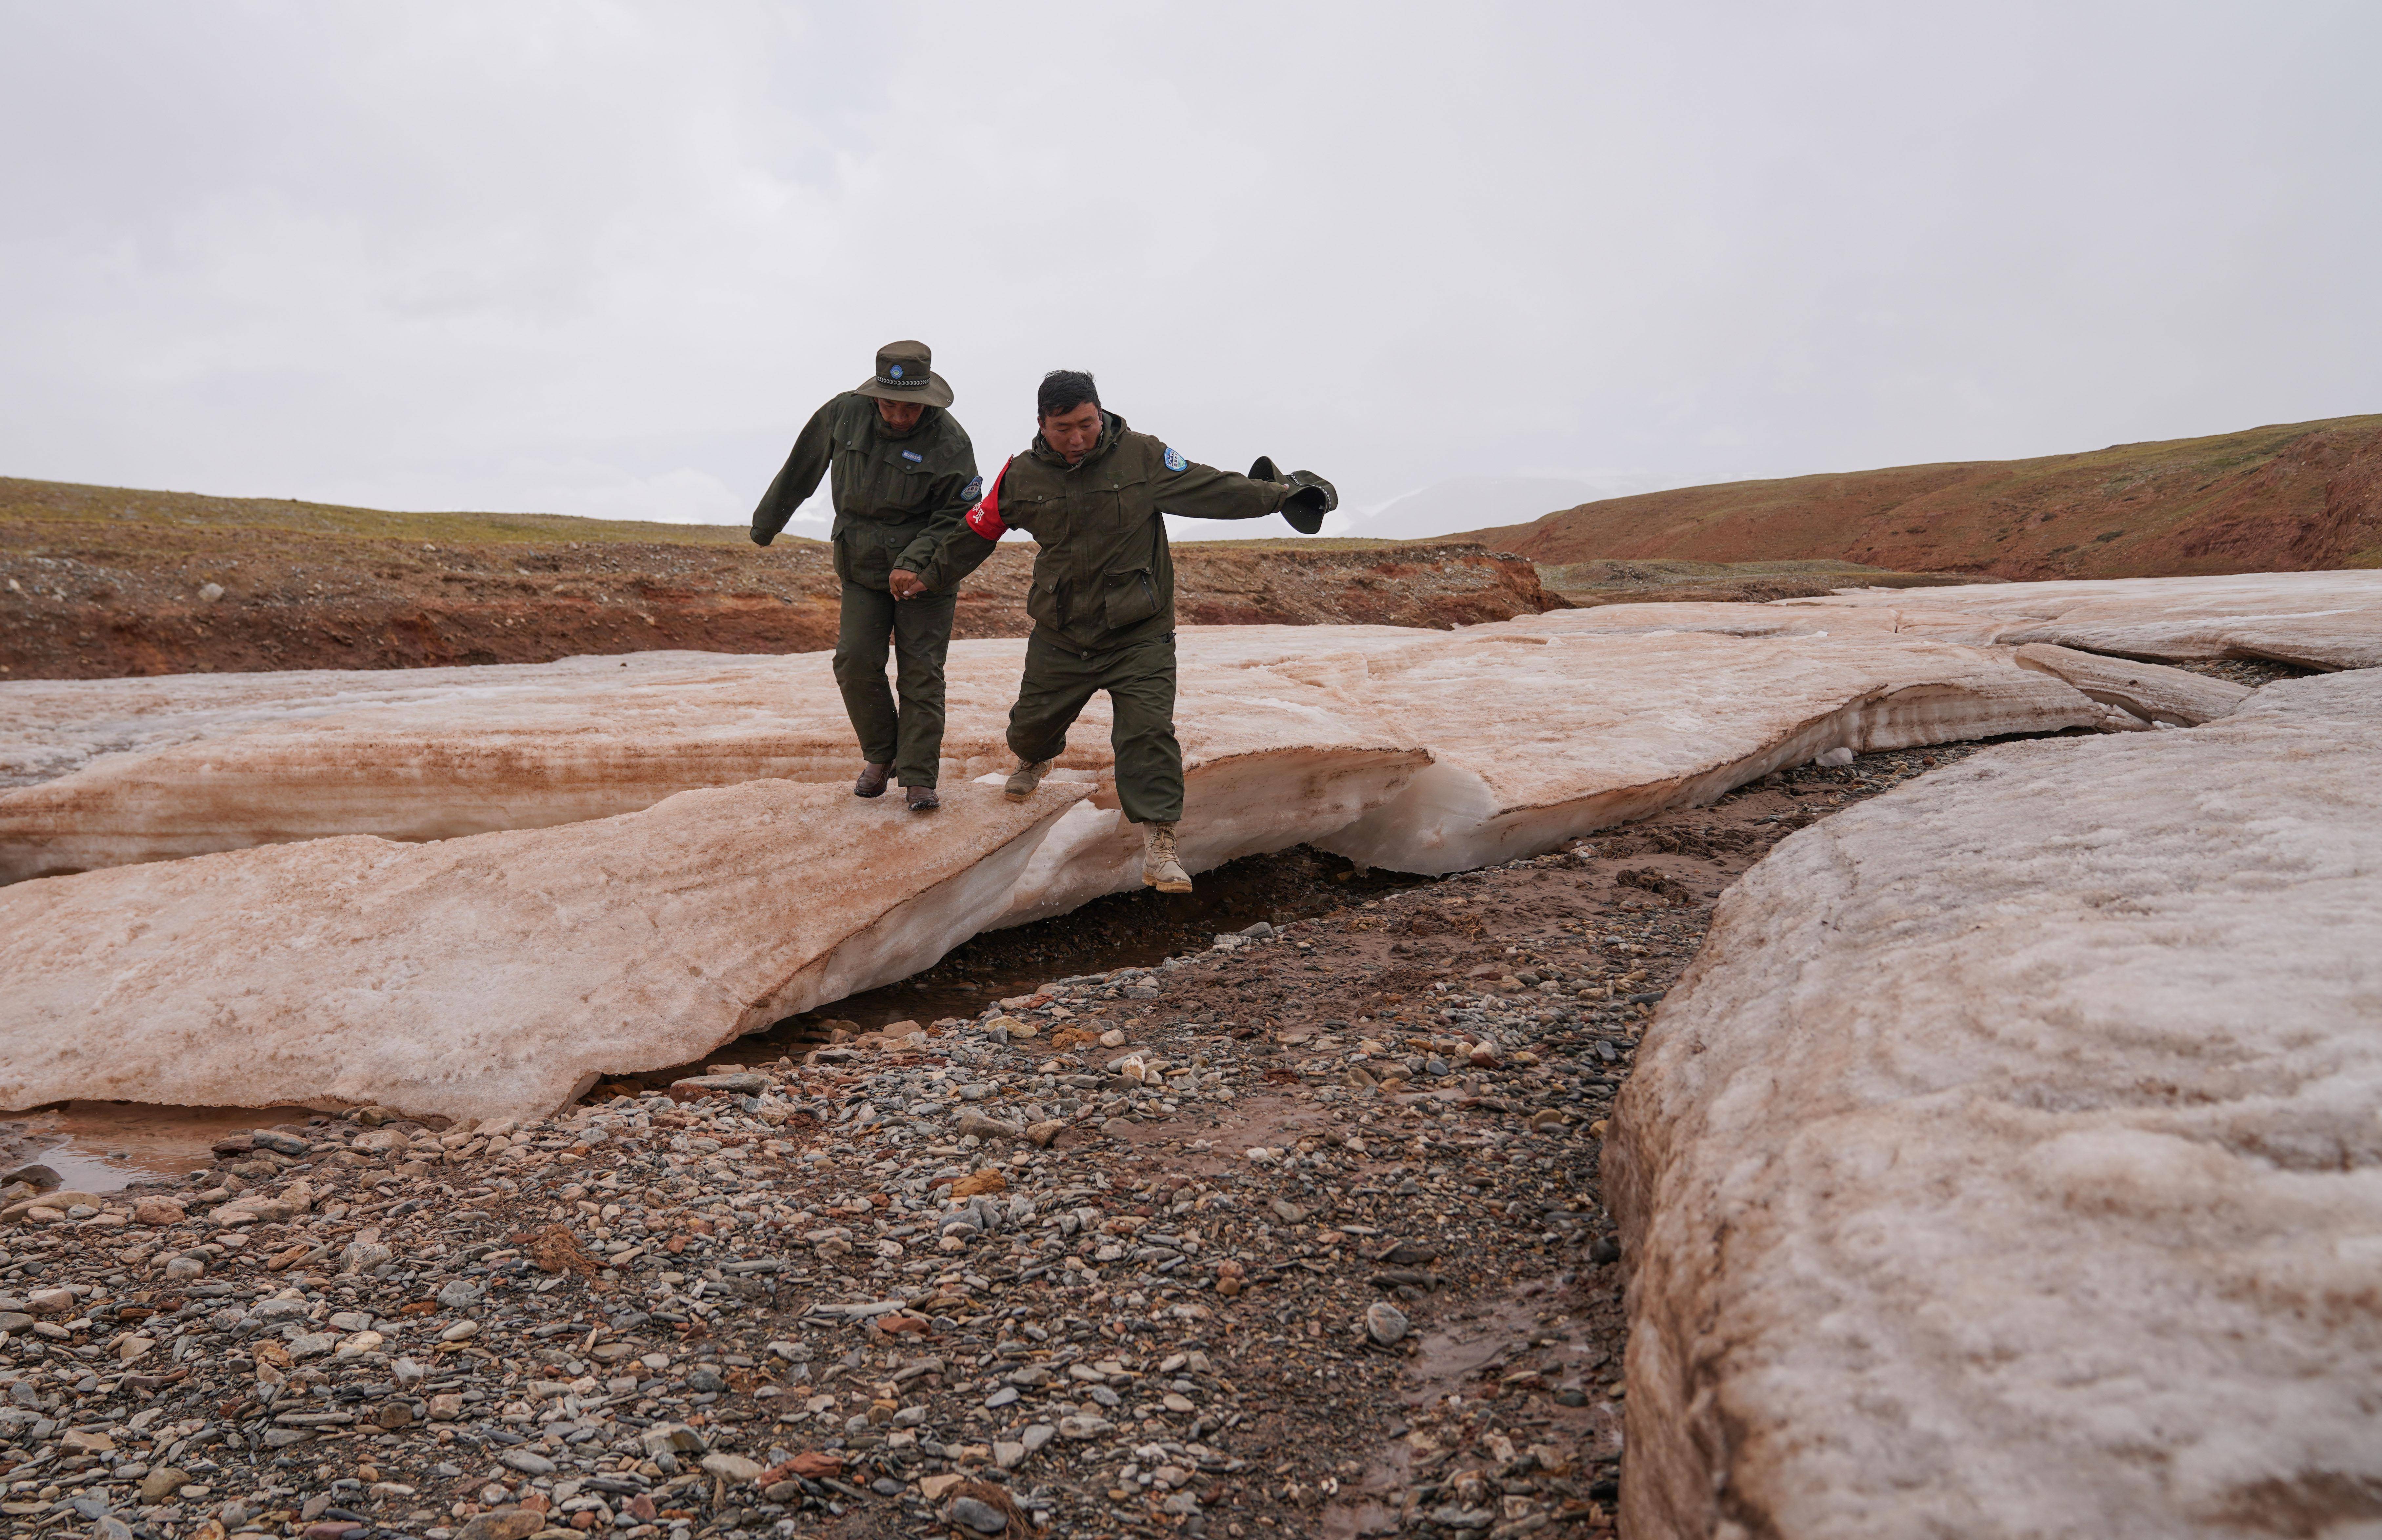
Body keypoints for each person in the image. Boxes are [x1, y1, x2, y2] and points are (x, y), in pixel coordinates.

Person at [897, 369, 1335, 890]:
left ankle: (1160, 844)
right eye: (1064, 428)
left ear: (1100, 412)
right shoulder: (1020, 476)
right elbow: (978, 530)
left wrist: (1278, 495)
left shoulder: (1143, 457)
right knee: (1030, 728)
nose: (1079, 437)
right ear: (1042, 424)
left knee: (1147, 733)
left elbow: (1212, 489)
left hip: (1139, 632)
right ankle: (1035, 758)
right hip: (1061, 632)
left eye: (1087, 423)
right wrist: (929, 575)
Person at [750, 340, 979, 811]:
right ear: (875, 394)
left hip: (927, 572)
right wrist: (766, 524)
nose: (898, 416)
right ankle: (881, 755)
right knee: (855, 661)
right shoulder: (843, 414)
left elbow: (960, 513)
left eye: (910, 408)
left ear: (927, 400)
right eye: (888, 404)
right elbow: (800, 470)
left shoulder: (950, 442)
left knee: (920, 672)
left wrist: (915, 561)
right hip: (860, 564)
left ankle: (918, 777)